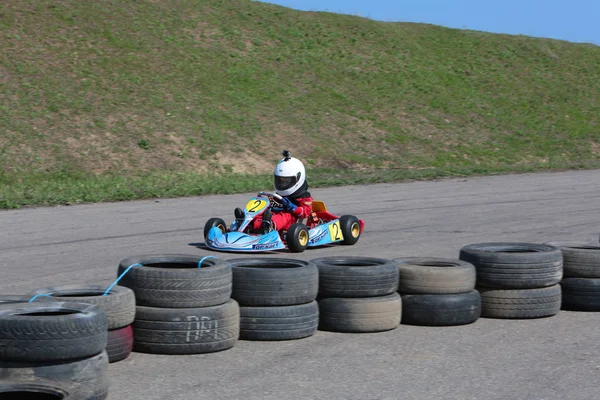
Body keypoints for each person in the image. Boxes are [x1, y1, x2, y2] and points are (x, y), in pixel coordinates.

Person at [235, 150, 313, 234]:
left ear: (298, 178)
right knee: (261, 213)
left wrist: (293, 208)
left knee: (284, 216)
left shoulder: (304, 196)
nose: (282, 184)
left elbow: (305, 213)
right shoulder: (280, 194)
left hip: (292, 220)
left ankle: (269, 226)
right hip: (273, 214)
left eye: (286, 181)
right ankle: (245, 222)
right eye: (280, 181)